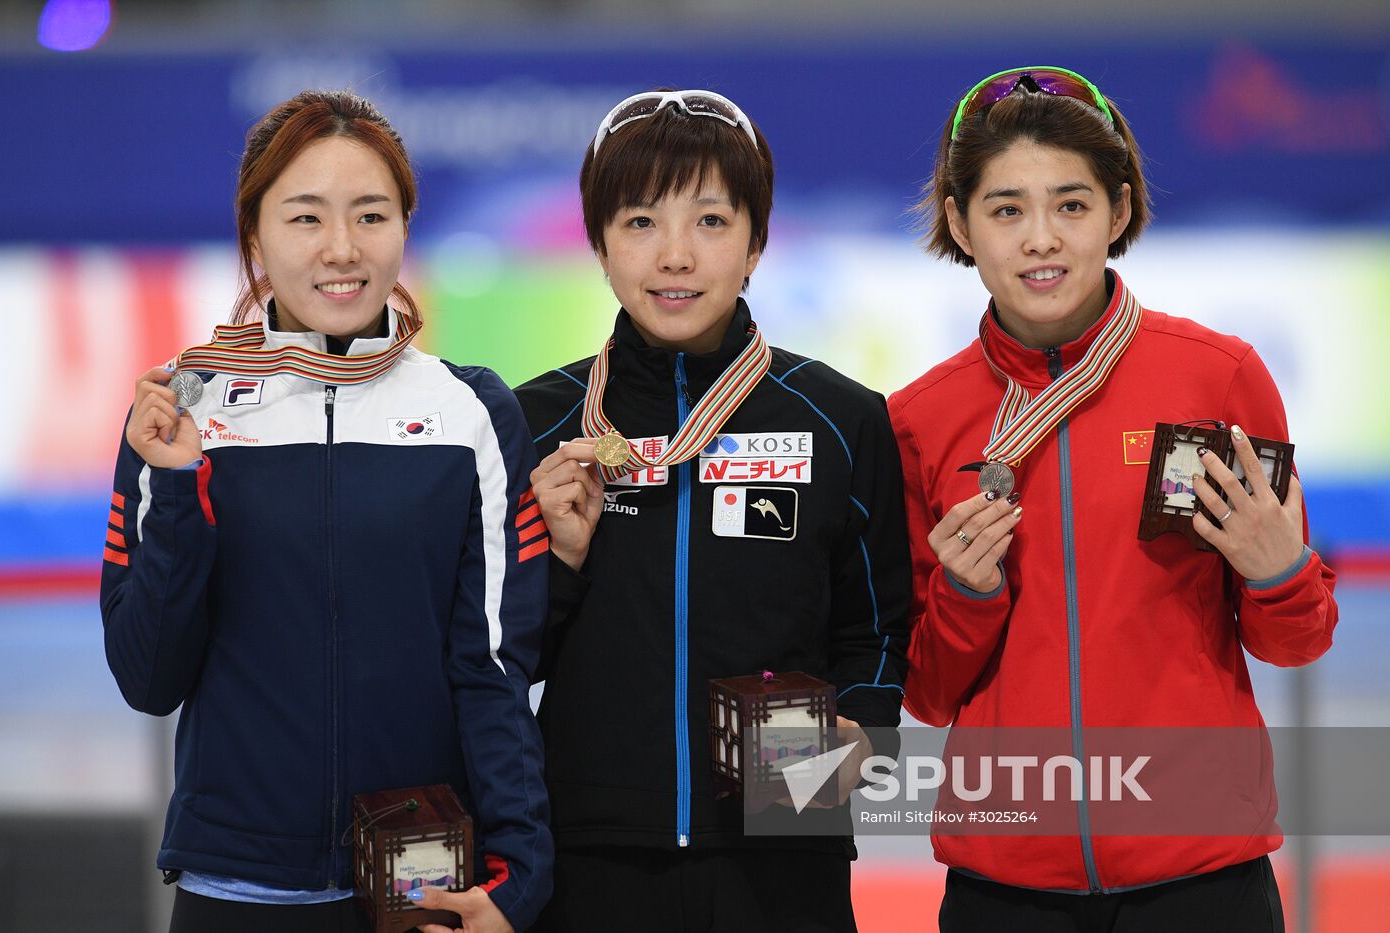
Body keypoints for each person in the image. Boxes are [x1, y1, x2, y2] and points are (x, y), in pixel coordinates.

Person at [888, 66, 1339, 932]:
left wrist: (1281, 572)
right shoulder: (920, 421)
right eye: (1006, 209)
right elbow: (928, 694)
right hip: (1005, 882)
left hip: (1203, 873)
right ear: (960, 223)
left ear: (1119, 212)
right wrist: (966, 596)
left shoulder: (1219, 376)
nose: (1040, 239)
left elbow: (1297, 640)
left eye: (1071, 204)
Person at [101, 90, 552, 933]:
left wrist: (517, 879)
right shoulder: (180, 407)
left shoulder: (471, 413)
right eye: (305, 218)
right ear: (255, 237)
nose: (341, 249)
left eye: (371, 215)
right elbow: (147, 676)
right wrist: (173, 488)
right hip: (235, 886)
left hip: (416, 891)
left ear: (406, 225)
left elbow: (492, 674)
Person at [469, 88, 911, 932]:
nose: (675, 255)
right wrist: (556, 564)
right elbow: (494, 660)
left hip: (783, 851)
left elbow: (878, 627)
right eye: (640, 222)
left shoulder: (840, 418)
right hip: (593, 853)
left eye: (710, 221)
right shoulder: (538, 423)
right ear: (599, 244)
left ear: (756, 243)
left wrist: (860, 738)